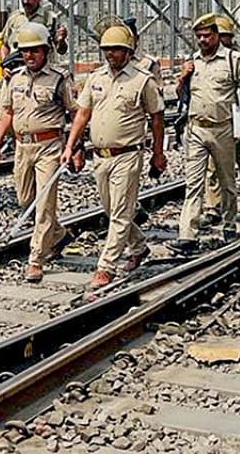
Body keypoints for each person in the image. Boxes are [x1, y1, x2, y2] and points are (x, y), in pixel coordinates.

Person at [62, 26, 167, 289]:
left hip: (128, 155)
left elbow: (157, 118)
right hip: (101, 157)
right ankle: (139, 246)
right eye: (107, 49)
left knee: (120, 213)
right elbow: (82, 114)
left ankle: (105, 266)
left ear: (128, 51)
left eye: (116, 49)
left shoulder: (142, 80)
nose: (111, 54)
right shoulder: (95, 78)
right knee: (111, 209)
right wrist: (71, 145)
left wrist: (158, 152)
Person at [169, 13, 240, 255]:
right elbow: (182, 96)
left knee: (227, 181)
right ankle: (187, 234)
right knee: (193, 184)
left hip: (222, 128)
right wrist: (182, 77)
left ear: (217, 36)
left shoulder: (233, 59)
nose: (202, 40)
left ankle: (229, 225)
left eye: (207, 35)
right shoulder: (193, 62)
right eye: (199, 36)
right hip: (196, 128)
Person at [0, 22, 77, 282]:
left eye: (35, 51)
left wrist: (73, 146)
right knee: (25, 200)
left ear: (46, 51)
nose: (29, 56)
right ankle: (59, 234)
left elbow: (75, 113)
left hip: (49, 147)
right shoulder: (14, 79)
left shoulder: (59, 78)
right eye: (25, 51)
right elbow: (7, 112)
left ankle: (36, 259)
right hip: (22, 146)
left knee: (43, 205)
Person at [0, 0, 68, 60]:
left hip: (43, 70)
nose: (25, 2)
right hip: (17, 69)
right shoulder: (15, 18)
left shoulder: (50, 18)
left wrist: (61, 40)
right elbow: (4, 45)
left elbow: (61, 50)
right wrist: (4, 65)